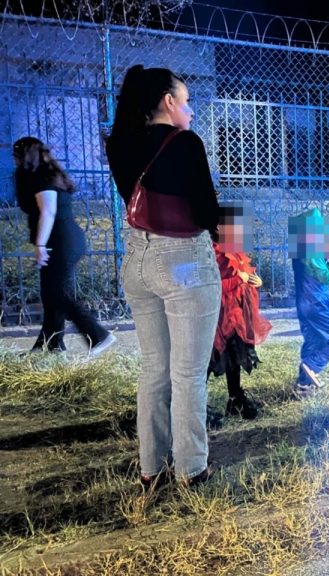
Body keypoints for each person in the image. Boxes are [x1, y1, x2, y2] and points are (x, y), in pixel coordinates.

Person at [106, 65, 221, 488]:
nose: (189, 109)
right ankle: (192, 469)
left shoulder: (120, 143)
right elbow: (208, 211)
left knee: (154, 369)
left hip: (136, 259)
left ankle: (151, 469)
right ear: (169, 102)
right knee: (188, 373)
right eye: (186, 100)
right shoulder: (186, 143)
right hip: (183, 261)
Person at [12, 137, 116, 356]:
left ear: (24, 156)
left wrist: (40, 244)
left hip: (59, 242)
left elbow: (48, 211)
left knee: (58, 294)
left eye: (16, 157)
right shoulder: (49, 173)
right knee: (51, 294)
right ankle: (51, 345)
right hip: (64, 240)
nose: (14, 161)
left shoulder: (40, 176)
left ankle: (98, 335)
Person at [208, 205, 272, 420]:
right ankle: (195, 405)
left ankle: (235, 399)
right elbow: (211, 286)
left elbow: (244, 278)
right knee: (210, 359)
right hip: (218, 318)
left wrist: (255, 281)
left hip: (236, 317)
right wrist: (238, 280)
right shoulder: (213, 253)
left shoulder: (237, 252)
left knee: (234, 358)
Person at [288, 208, 329, 397]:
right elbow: (326, 277)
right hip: (316, 303)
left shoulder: (299, 252)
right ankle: (312, 365)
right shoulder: (313, 253)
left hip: (303, 303)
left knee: (312, 339)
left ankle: (303, 386)